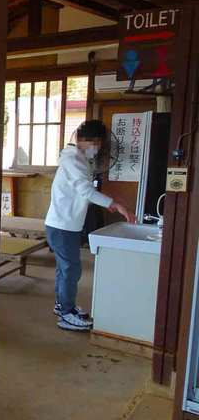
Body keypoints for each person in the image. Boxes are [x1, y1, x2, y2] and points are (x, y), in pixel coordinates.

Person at [45, 119, 135, 332]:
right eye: (95, 143)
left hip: (65, 224)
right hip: (62, 226)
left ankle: (62, 305)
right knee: (71, 269)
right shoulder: (73, 160)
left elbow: (83, 191)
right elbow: (86, 191)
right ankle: (66, 314)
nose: (97, 148)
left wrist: (111, 202)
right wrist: (115, 204)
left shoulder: (79, 159)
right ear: (82, 139)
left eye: (99, 144)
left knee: (65, 269)